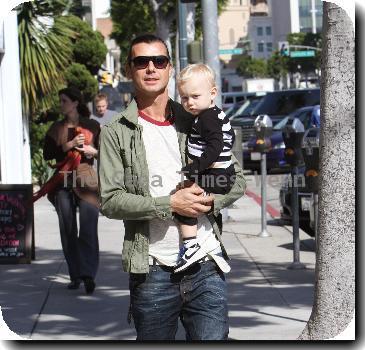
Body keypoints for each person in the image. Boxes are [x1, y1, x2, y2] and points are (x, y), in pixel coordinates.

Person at [98, 34, 246, 340]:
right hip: (153, 270)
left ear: (170, 69)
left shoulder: (198, 118)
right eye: (141, 61)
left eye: (159, 61)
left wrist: (205, 200)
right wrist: (170, 204)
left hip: (205, 261)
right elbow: (110, 200)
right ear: (129, 70)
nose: (151, 68)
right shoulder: (115, 132)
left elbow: (237, 180)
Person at [174, 63, 236, 273]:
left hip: (216, 175)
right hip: (222, 174)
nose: (189, 102)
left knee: (183, 199)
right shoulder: (216, 115)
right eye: (184, 98)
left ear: (212, 93)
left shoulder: (207, 118)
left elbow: (215, 147)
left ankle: (191, 246)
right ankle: (213, 248)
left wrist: (195, 168)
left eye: (195, 96)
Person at [43, 87, 100, 294]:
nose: (61, 104)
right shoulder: (55, 128)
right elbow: (47, 154)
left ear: (76, 103)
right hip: (62, 181)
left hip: (87, 180)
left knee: (88, 227)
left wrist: (92, 150)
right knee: (67, 230)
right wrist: (68, 145)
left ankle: (88, 274)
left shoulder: (92, 125)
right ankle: (75, 275)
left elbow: (105, 151)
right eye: (60, 101)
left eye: (65, 100)